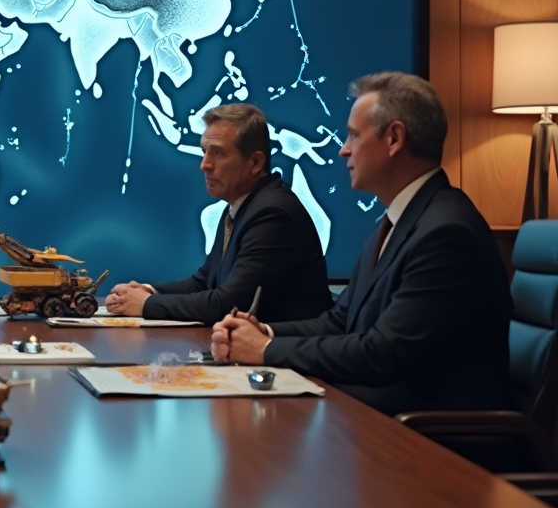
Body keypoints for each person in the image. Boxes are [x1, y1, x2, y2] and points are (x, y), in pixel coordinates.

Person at [211, 72, 512, 415]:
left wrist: (265, 350)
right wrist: (261, 330)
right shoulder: (399, 221)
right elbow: (339, 323)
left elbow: (382, 354)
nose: (343, 149)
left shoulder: (446, 234)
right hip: (379, 421)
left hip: (433, 444)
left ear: (395, 138)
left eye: (354, 135)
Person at [105, 103, 331, 324]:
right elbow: (205, 281)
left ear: (255, 162)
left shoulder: (272, 214)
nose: (205, 165)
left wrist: (146, 305)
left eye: (219, 153)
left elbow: (229, 304)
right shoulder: (241, 206)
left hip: (288, 356)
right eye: (204, 152)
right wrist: (148, 291)